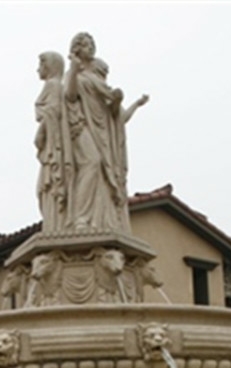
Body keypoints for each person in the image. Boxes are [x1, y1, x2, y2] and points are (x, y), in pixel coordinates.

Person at [63, 33, 146, 233]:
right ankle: (80, 218)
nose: (91, 47)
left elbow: (119, 117)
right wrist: (73, 69)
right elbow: (70, 96)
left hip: (103, 133)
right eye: (86, 44)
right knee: (91, 163)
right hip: (82, 126)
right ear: (77, 48)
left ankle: (99, 221)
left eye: (93, 44)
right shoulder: (75, 75)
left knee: (103, 175)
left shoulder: (101, 84)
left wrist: (124, 101)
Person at [35, 51, 68, 233]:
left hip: (52, 146)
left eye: (41, 64)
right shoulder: (55, 85)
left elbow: (53, 111)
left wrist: (40, 133)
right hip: (50, 144)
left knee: (48, 187)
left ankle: (54, 227)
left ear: (50, 66)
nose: (37, 69)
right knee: (45, 190)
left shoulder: (53, 85)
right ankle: (53, 224)